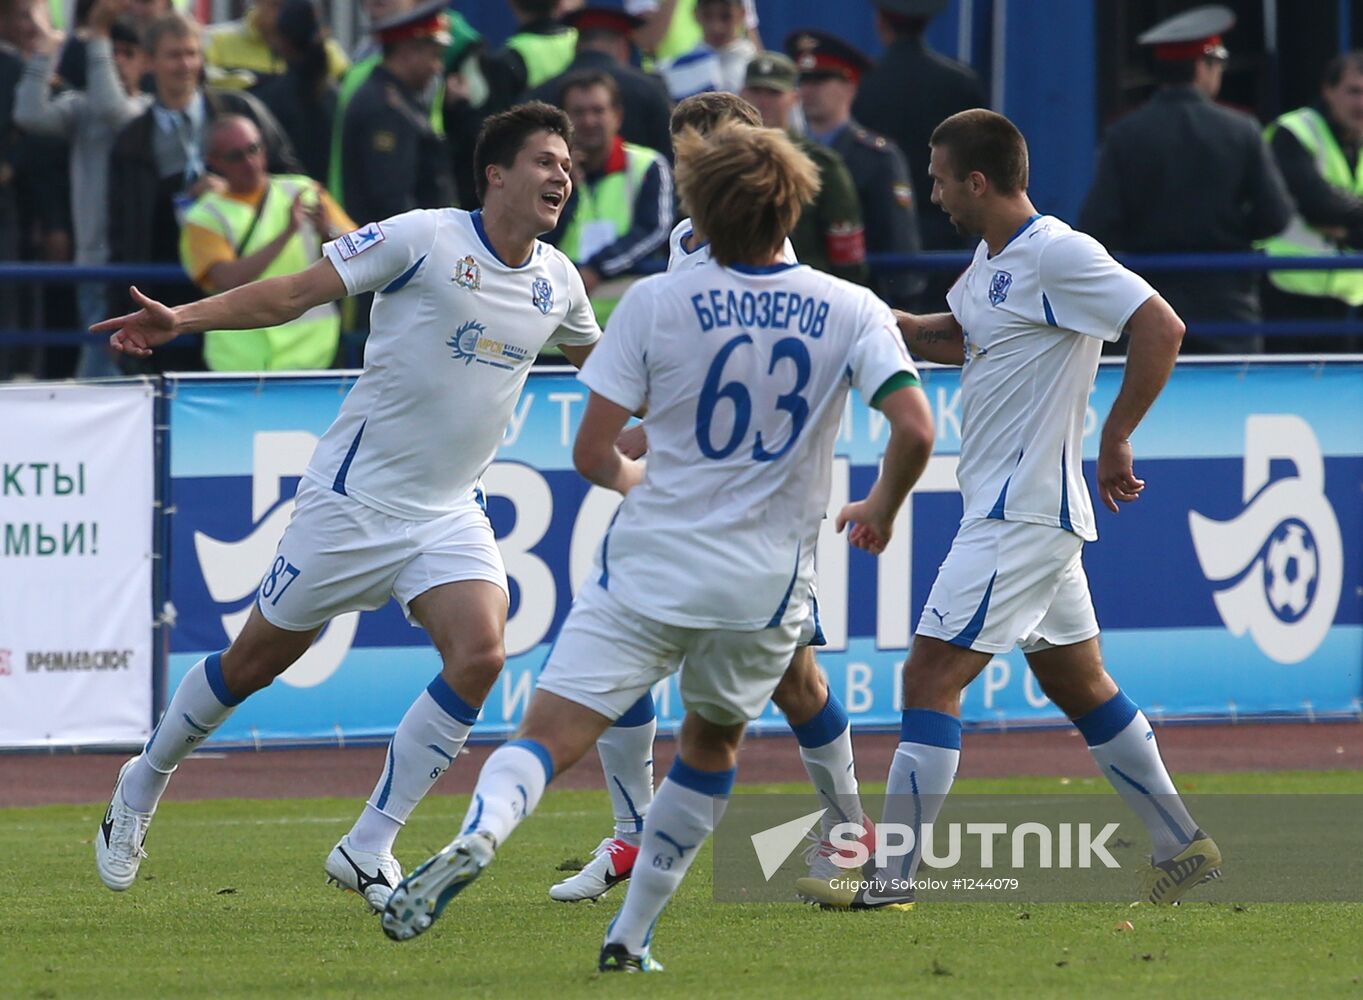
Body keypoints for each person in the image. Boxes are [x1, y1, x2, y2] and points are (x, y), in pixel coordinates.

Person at [377, 121, 936, 972]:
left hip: (653, 561)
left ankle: (483, 832)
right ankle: (630, 938)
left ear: (700, 208)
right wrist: (883, 507)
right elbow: (915, 425)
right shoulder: (848, 307)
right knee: (710, 750)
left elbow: (593, 453)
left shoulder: (653, 302)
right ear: (795, 203)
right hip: (763, 582)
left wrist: (653, 489)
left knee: (550, 732)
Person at [91, 102, 601, 912]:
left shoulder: (558, 281)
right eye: (545, 160)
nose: (561, 175)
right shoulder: (422, 237)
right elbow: (293, 292)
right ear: (496, 174)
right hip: (352, 502)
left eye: (567, 165)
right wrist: (179, 318)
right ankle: (141, 780)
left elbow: (606, 376)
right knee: (251, 665)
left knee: (480, 656)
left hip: (447, 510)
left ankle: (368, 844)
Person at [797, 109, 1219, 912]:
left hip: (1019, 510)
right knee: (1079, 681)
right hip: (1020, 511)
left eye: (938, 177)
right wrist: (883, 321)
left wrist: (1117, 437)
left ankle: (890, 879)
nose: (931, 192)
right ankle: (1180, 844)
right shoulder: (994, 260)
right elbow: (964, 333)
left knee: (928, 673)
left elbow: (1159, 324)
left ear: (977, 181)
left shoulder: (1059, 252)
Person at [547, 90, 873, 904]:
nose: (695, 171)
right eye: (687, 155)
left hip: (753, 513)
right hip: (689, 501)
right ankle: (632, 836)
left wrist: (638, 441)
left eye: (709, 154)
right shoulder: (690, 242)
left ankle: (849, 835)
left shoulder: (750, 251)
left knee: (792, 684)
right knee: (630, 672)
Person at [1080, 5, 1291, 355]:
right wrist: (1231, 232)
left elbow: (1097, 224)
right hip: (1226, 307)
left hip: (1144, 304)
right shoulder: (1242, 131)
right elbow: (1276, 216)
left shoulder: (1125, 134)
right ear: (1203, 65)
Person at [107, 12, 301, 372]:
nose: (185, 64)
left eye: (192, 53)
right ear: (150, 62)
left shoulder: (241, 110)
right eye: (174, 55)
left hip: (236, 270)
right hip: (164, 276)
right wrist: (119, 305)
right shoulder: (132, 139)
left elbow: (289, 177)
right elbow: (121, 229)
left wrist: (236, 187)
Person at [14, 0, 148, 378]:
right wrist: (44, 54)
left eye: (128, 53)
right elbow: (29, 114)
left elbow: (114, 111)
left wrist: (100, 36)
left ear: (146, 62)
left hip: (139, 260)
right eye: (113, 51)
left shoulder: (147, 112)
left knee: (127, 365)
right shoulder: (84, 107)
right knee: (99, 364)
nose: (117, 60)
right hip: (93, 259)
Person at [179, 115, 354, 370]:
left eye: (254, 149)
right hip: (239, 362)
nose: (249, 162)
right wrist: (286, 235)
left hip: (313, 354)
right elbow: (226, 278)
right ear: (214, 162)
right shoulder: (204, 217)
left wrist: (329, 231)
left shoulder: (304, 191)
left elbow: (359, 248)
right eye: (235, 156)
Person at [853, 0, 985, 310]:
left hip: (880, 247)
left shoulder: (865, 84)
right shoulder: (960, 83)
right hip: (950, 240)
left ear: (880, 22)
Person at [787, 29, 923, 309]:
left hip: (858, 300)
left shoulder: (878, 157)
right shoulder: (786, 152)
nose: (808, 90)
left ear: (851, 85)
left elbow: (899, 243)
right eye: (804, 80)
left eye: (822, 79)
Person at [544, 69, 672, 324]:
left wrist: (597, 269)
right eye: (578, 113)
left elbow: (654, 231)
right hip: (556, 327)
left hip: (628, 323)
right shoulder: (543, 174)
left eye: (598, 110)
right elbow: (536, 239)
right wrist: (569, 193)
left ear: (617, 116)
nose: (589, 121)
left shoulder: (647, 166)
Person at [1260, 49, 1363, 353]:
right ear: (1327, 91)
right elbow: (1317, 203)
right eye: (1353, 92)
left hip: (1351, 298)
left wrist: (1345, 230)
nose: (1361, 103)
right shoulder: (1293, 132)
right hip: (1291, 292)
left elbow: (1330, 208)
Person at [740, 52, 869, 286]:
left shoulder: (820, 164)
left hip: (803, 297)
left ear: (793, 98)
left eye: (773, 93)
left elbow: (846, 256)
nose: (763, 101)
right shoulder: (721, 162)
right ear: (741, 94)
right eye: (755, 92)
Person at [338, 0, 452, 230]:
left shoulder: (401, 99)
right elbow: (391, 202)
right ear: (409, 51)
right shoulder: (385, 109)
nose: (437, 67)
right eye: (434, 55)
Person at [528, 6, 673, 164]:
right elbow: (672, 154)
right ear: (622, 46)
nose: (589, 121)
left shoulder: (538, 95)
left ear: (576, 46)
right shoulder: (650, 89)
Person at [249, 0, 339, 184]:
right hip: (331, 204)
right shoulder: (338, 96)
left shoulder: (266, 98)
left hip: (285, 201)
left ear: (282, 41)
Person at [202, 0, 347, 91]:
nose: (286, 12)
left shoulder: (325, 50)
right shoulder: (217, 41)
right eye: (277, 4)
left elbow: (349, 95)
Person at [656, 0, 754, 101]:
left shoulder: (754, 64)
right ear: (695, 14)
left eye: (725, 16)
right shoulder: (674, 68)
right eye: (708, 15)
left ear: (743, 14)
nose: (716, 27)